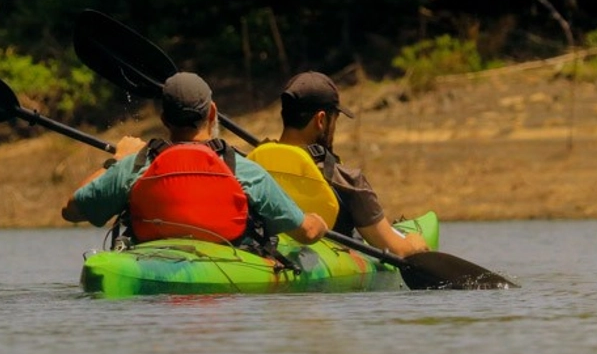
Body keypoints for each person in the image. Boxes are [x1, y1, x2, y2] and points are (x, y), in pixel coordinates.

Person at [62, 72, 329, 247]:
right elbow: (305, 232)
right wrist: (319, 223)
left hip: (149, 261)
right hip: (226, 267)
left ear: (164, 119)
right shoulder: (243, 170)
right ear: (213, 113)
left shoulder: (136, 165)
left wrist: (117, 161)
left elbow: (72, 211)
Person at [271, 71, 429, 258]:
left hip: (268, 252)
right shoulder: (346, 180)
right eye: (335, 120)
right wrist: (415, 244)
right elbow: (399, 251)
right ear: (321, 120)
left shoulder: (252, 168)